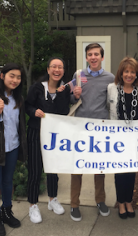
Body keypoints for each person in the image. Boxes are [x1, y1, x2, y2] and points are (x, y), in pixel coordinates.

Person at [25, 57, 81, 224]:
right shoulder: (37, 88)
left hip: (54, 136)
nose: (57, 70)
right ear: (48, 70)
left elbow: (65, 112)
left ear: (63, 71)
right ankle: (33, 205)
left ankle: (52, 199)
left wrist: (74, 97)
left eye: (60, 67)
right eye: (54, 67)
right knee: (35, 170)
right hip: (36, 133)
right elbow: (27, 106)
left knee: (52, 169)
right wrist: (34, 111)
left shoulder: (64, 90)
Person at [70, 43, 115, 222]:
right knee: (77, 167)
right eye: (90, 54)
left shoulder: (110, 78)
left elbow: (113, 101)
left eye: (97, 54)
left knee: (99, 168)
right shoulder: (78, 75)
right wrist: (75, 94)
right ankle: (74, 204)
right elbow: (71, 98)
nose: (93, 57)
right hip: (80, 127)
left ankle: (100, 201)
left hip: (101, 128)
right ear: (87, 57)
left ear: (102, 57)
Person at [0, 63, 27, 236]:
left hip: (12, 147)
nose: (15, 80)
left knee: (8, 183)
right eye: (12, 76)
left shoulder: (18, 98)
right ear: (2, 76)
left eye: (18, 77)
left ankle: (7, 211)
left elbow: (20, 124)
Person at [107, 57, 138, 219]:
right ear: (121, 73)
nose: (129, 75)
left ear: (137, 74)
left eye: (132, 72)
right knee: (119, 171)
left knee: (131, 171)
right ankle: (121, 202)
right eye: (126, 71)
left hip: (135, 137)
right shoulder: (111, 88)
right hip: (117, 137)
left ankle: (129, 200)